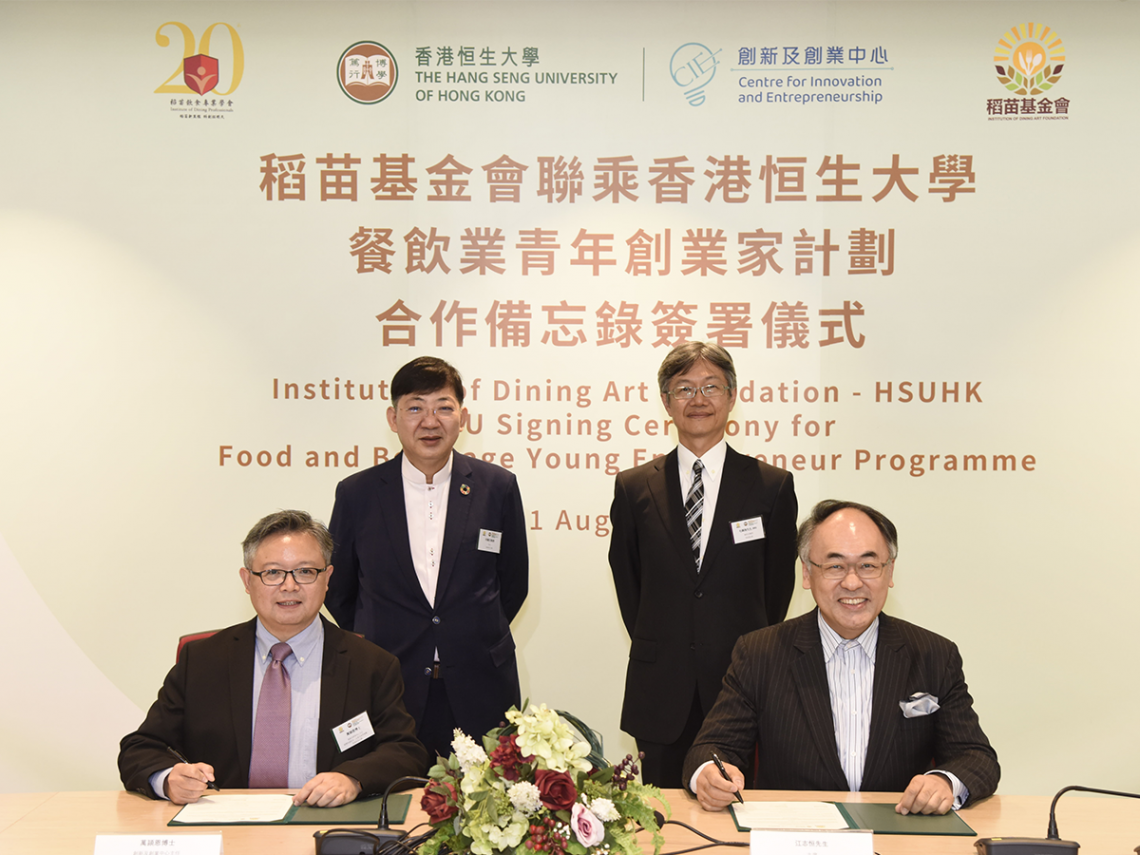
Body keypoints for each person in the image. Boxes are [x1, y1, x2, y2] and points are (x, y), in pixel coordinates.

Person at [685, 500, 1000, 815]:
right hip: (794, 837)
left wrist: (945, 782)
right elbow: (710, 750)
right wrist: (710, 776)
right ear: (807, 574)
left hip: (897, 834)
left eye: (868, 565)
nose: (852, 582)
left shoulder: (933, 655)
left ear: (889, 571)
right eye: (835, 566)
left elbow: (976, 757)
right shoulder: (759, 654)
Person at [119, 510, 428, 806]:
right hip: (226, 831)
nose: (289, 586)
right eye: (273, 573)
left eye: (306, 571)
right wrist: (169, 778)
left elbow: (404, 751)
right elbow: (140, 748)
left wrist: (353, 779)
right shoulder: (202, 661)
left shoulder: (371, 664)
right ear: (247, 580)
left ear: (327, 577)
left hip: (326, 826)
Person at [608, 341, 798, 787]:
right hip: (660, 689)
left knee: (738, 816)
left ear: (732, 397)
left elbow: (776, 590)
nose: (698, 400)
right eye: (684, 389)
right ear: (666, 403)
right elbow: (629, 583)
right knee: (661, 821)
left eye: (711, 386)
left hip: (740, 685)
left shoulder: (771, 486)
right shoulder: (633, 488)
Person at [326, 356, 528, 759]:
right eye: (415, 407)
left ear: (463, 416)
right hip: (389, 683)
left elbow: (513, 583)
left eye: (443, 407)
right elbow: (339, 589)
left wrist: (465, 631)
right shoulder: (358, 494)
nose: (430, 421)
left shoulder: (497, 487)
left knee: (486, 811)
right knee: (389, 802)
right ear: (393, 417)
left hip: (479, 682)